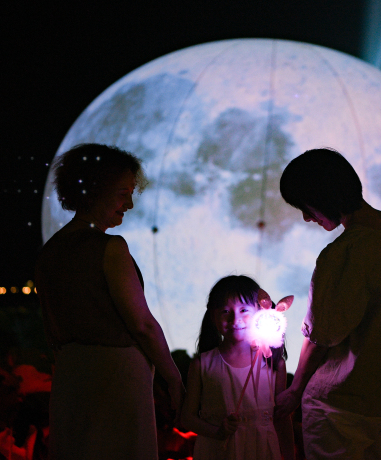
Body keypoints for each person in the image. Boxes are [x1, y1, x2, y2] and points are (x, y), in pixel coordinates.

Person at [275, 148, 381, 460]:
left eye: (306, 206)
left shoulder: (344, 252)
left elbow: (321, 336)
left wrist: (295, 391)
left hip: (342, 406)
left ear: (321, 196)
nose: (306, 217)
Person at [35, 143, 185, 460]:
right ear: (95, 190)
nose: (129, 203)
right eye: (122, 193)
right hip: (115, 377)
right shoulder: (110, 247)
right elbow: (141, 323)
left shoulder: (49, 253)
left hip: (70, 376)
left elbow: (51, 329)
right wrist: (173, 378)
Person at [181, 275, 295, 460]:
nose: (236, 318)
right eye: (226, 311)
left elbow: (282, 417)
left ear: (260, 311)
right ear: (213, 316)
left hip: (261, 449)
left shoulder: (273, 364)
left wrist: (290, 455)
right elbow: (188, 417)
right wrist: (217, 431)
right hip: (218, 450)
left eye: (244, 309)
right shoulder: (203, 365)